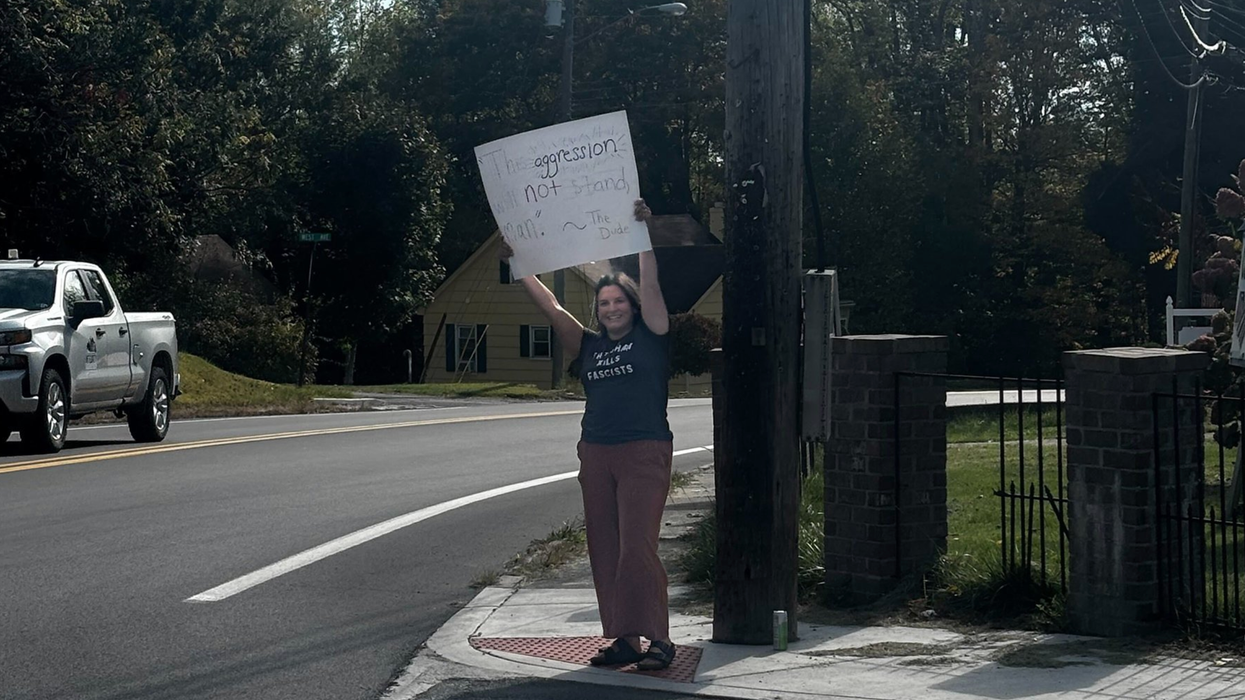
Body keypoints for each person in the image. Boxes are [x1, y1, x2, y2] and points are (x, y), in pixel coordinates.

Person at [498, 199, 676, 671]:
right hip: (596, 453)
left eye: (619, 301)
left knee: (638, 546)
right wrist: (519, 263)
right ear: (598, 311)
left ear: (632, 307)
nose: (612, 308)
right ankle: (624, 639)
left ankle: (659, 640)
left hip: (644, 451)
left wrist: (643, 236)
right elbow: (550, 304)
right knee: (605, 546)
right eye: (604, 303)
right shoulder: (589, 345)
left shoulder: (652, 334)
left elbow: (652, 283)